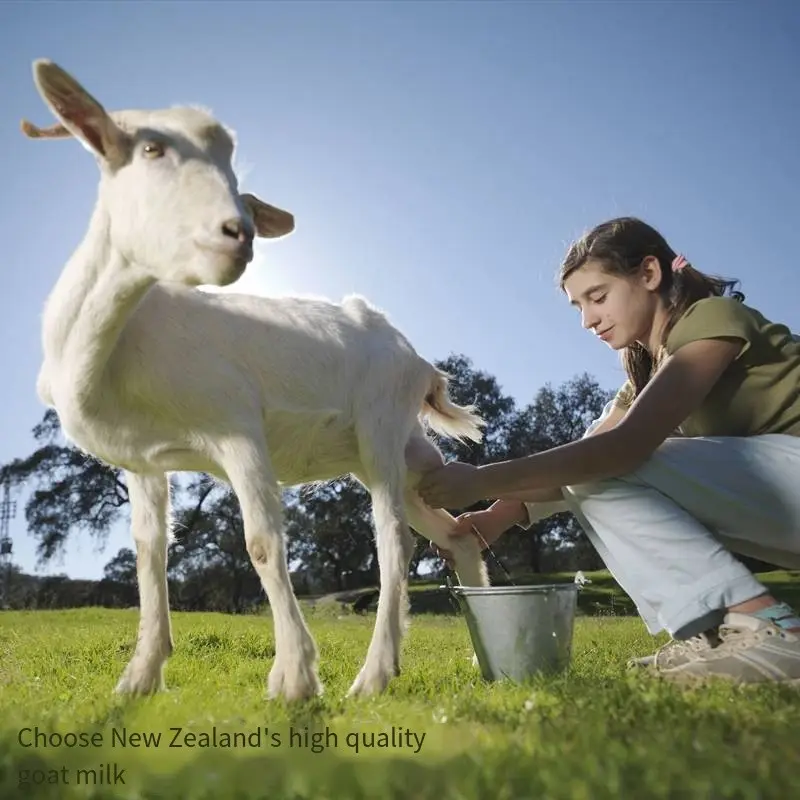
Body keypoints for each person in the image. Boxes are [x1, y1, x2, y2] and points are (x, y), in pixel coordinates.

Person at [417, 216, 800, 685]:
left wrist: (479, 479)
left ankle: (768, 628)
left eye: (598, 297)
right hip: (782, 500)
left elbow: (622, 450)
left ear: (650, 275)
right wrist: (495, 517)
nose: (588, 319)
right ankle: (721, 632)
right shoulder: (644, 379)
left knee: (611, 461)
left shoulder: (712, 320)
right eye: (578, 306)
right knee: (593, 462)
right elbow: (590, 453)